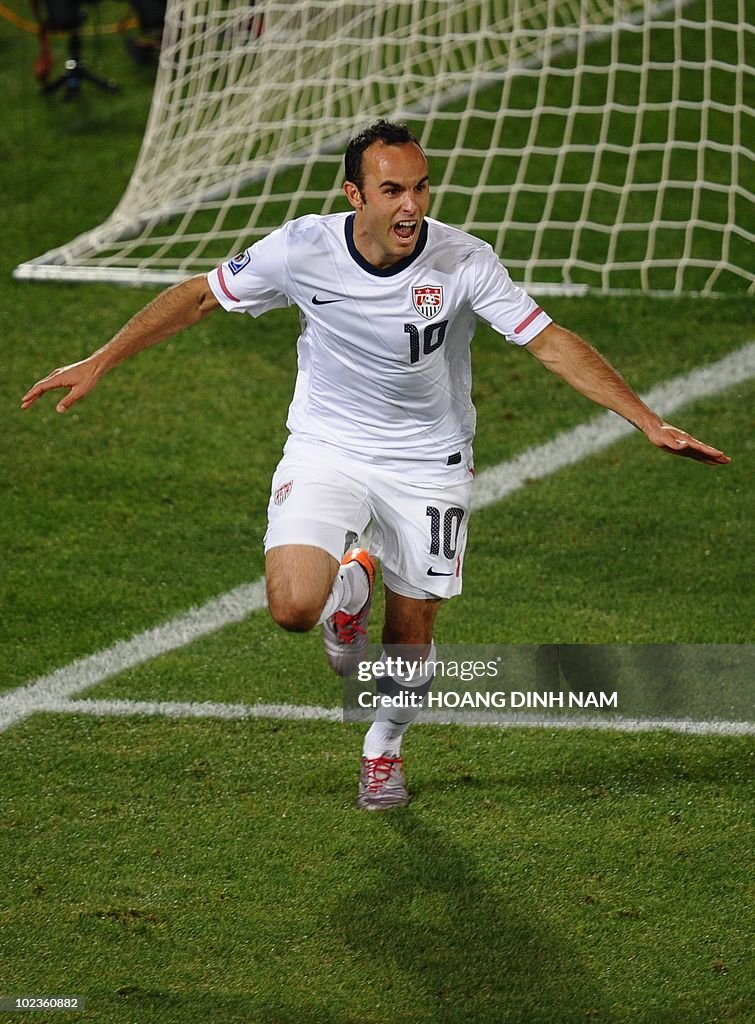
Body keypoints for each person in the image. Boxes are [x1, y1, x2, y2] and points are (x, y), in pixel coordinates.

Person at [21, 120, 730, 811]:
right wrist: (100, 360)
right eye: (392, 190)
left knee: (412, 627)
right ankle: (342, 599)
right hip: (326, 446)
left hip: (429, 461)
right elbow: (203, 295)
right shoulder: (301, 247)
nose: (412, 206)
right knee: (293, 607)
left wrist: (646, 419)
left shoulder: (462, 261)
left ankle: (381, 748)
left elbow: (550, 343)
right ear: (354, 196)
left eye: (421, 188)